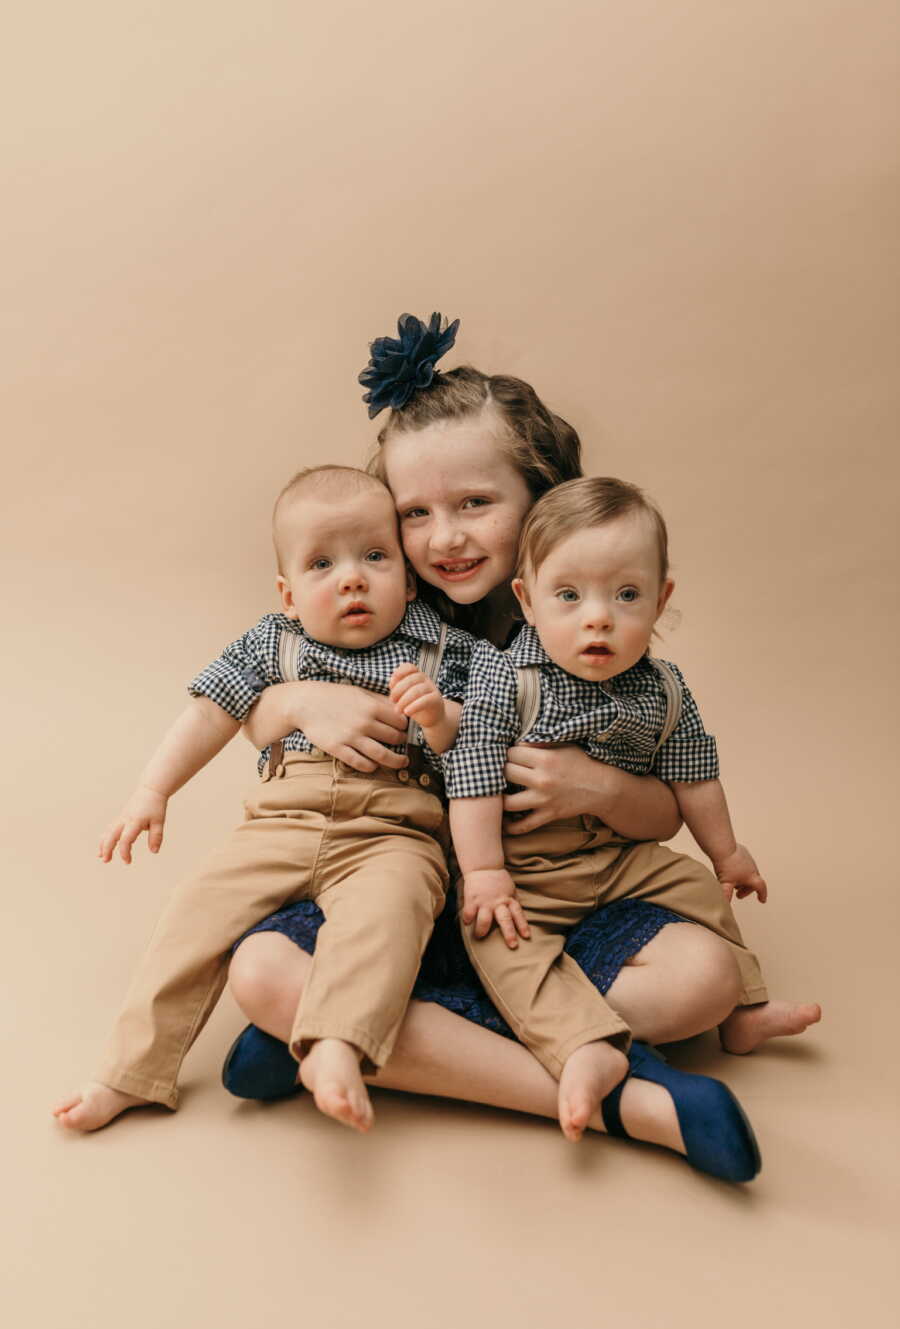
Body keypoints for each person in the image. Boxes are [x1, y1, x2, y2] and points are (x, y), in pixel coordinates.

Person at [220, 313, 820, 1177]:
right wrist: (299, 699)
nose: (444, 538)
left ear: (545, 497)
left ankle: (354, 1032)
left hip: (549, 906)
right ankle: (632, 1103)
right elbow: (248, 697)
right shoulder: (376, 616)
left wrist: (600, 791)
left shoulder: (590, 626)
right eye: (415, 513)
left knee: (704, 983)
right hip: (397, 904)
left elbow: (663, 811)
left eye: (474, 504)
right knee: (262, 970)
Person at [54, 465, 479, 1133]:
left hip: (395, 833)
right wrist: (152, 790)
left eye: (375, 557)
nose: (352, 578)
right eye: (321, 564)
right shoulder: (270, 644)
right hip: (280, 823)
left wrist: (440, 717)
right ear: (287, 593)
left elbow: (488, 742)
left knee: (388, 916)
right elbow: (208, 713)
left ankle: (337, 1045)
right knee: (193, 914)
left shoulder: (450, 651)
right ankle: (130, 1071)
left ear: (409, 572)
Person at [445, 475, 770, 1143]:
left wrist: (727, 853)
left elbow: (694, 776)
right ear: (527, 601)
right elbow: (472, 773)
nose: (599, 618)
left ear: (661, 601)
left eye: (626, 595)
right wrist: (481, 872)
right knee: (504, 944)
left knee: (698, 888)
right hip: (524, 874)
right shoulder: (507, 678)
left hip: (616, 862)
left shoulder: (664, 689)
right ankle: (581, 1046)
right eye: (569, 596)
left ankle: (742, 1009)